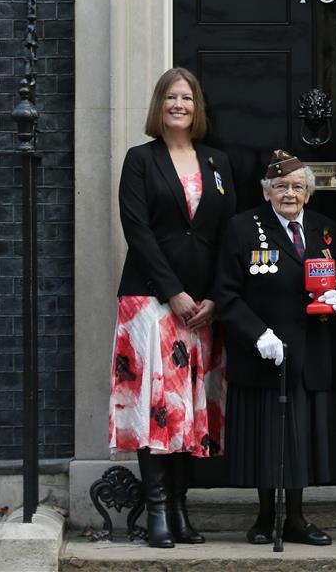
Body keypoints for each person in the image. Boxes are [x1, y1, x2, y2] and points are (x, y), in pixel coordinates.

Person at [108, 67, 237, 548]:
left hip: (203, 308)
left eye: (187, 97)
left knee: (189, 410)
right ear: (158, 106)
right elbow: (137, 231)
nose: (179, 104)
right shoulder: (140, 160)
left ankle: (181, 508)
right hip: (150, 301)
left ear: (197, 107)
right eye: (170, 97)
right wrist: (174, 293)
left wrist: (216, 298)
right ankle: (157, 510)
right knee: (155, 406)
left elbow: (229, 236)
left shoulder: (218, 162)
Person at [214, 149, 336, 547]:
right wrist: (257, 334)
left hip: (309, 352)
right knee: (265, 437)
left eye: (297, 186)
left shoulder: (325, 230)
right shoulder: (242, 228)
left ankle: (298, 518)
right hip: (263, 353)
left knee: (299, 438)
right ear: (267, 191)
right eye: (281, 186)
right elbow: (225, 293)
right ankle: (265, 515)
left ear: (309, 192)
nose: (289, 193)